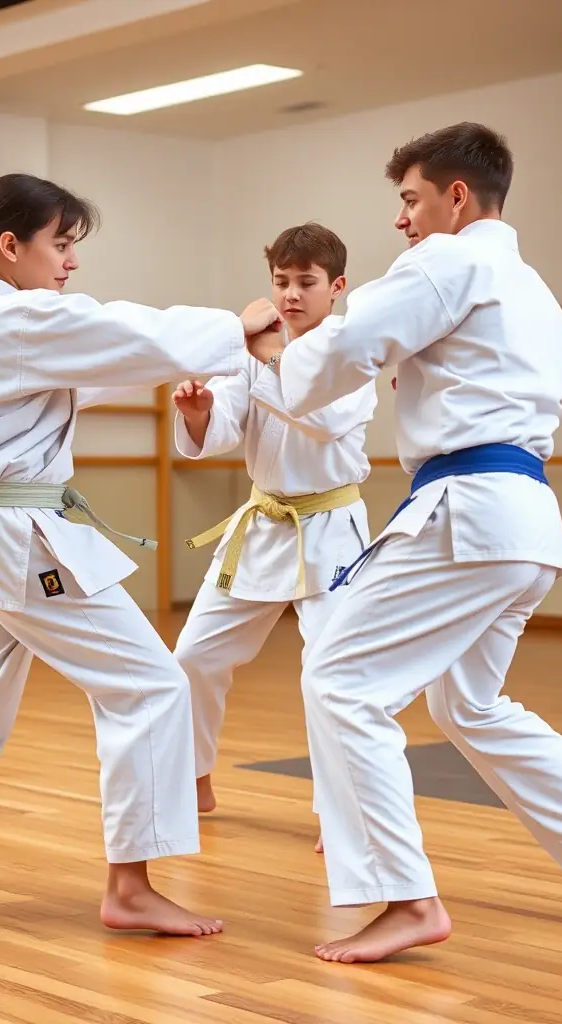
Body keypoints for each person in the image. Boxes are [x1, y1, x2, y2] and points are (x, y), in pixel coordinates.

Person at [0, 172, 281, 937]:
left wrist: (204, 357)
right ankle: (131, 888)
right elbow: (117, 334)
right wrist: (235, 327)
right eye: (60, 244)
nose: (70, 263)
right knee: (151, 687)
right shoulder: (11, 322)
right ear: (12, 246)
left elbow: (84, 368)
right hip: (15, 542)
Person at [245, 123, 562, 962]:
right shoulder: (534, 289)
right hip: (524, 520)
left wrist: (267, 347)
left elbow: (347, 348)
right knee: (467, 704)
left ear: (456, 197)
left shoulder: (447, 260)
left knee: (339, 679)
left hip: (466, 510)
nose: (401, 220)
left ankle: (405, 896)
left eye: (409, 199)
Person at [172, 223, 376, 836]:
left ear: (336, 286)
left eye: (306, 282)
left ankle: (341, 813)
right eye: (281, 281)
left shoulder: (351, 350)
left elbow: (326, 419)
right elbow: (226, 426)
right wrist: (201, 413)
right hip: (265, 523)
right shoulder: (255, 351)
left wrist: (270, 359)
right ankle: (194, 774)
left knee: (329, 672)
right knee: (194, 655)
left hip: (331, 526)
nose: (290, 294)